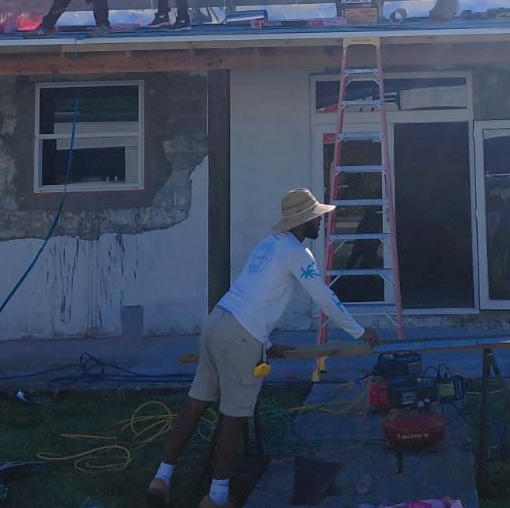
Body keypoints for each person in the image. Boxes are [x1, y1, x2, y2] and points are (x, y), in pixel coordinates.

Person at [148, 188, 379, 508]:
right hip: (241, 336)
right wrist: (360, 331)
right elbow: (325, 299)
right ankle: (216, 497)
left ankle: (161, 478)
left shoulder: (268, 244)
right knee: (233, 415)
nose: (320, 223)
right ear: (303, 221)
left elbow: (253, 293)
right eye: (316, 218)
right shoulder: (298, 253)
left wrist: (264, 343)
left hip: (217, 322)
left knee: (196, 402)